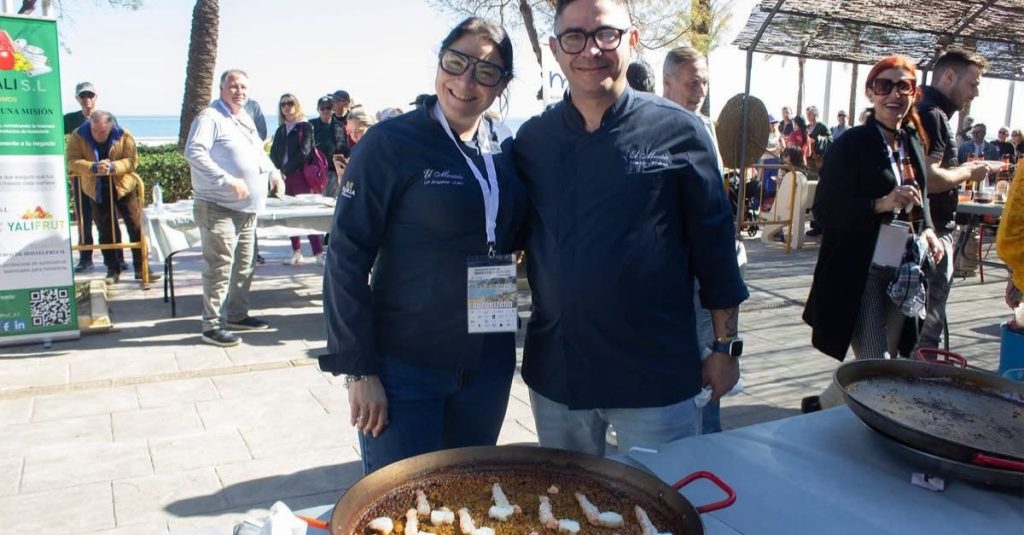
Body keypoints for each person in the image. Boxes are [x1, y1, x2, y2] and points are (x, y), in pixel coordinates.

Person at [514, 0, 747, 456]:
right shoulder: (532, 141)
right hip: (561, 378)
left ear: (632, 40)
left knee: (665, 513)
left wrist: (724, 347)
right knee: (569, 519)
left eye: (606, 35)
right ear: (555, 49)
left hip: (656, 377)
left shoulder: (680, 130)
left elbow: (715, 249)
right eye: (574, 37)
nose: (590, 50)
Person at [319, 17, 528, 475]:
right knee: (401, 509)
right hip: (404, 368)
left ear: (502, 85)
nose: (465, 81)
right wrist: (359, 370)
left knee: (465, 503)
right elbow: (346, 257)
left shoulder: (503, 149)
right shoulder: (391, 143)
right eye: (456, 62)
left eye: (485, 71)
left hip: (487, 366)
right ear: (440, 61)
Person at [802, 55, 945, 411]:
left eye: (904, 86)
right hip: (859, 270)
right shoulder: (851, 144)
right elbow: (824, 210)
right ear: (870, 92)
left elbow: (921, 195)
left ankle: (821, 406)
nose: (894, 94)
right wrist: (879, 204)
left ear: (914, 93)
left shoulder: (911, 140)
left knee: (885, 361)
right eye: (885, 86)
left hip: (903, 268)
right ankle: (845, 421)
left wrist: (927, 229)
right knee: (875, 360)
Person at [184, 69, 285, 348]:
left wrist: (274, 173)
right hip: (218, 207)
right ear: (221, 88)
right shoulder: (210, 118)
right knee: (220, 267)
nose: (238, 91)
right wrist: (226, 179)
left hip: (247, 211)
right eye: (233, 86)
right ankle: (212, 326)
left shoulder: (245, 118)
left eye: (243, 87)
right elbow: (193, 152)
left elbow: (258, 153)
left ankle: (237, 315)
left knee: (244, 266)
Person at [662, 45, 734, 434]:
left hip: (708, 272)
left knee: (711, 358)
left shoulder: (705, 126)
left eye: (705, 81)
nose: (700, 89)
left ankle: (708, 437)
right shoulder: (654, 128)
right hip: (673, 275)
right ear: (668, 83)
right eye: (693, 82)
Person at [917, 49, 996, 351]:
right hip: (933, 234)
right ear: (949, 77)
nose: (974, 93)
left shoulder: (923, 110)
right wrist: (967, 172)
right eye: (972, 84)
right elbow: (930, 178)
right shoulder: (932, 115)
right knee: (926, 334)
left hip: (925, 231)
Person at [66, 110, 159, 285]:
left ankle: (141, 267)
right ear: (90, 125)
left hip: (123, 187)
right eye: (94, 131)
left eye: (103, 132)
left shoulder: (124, 134)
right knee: (104, 229)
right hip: (95, 188)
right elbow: (71, 161)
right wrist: (93, 167)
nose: (98, 135)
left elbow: (132, 160)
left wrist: (113, 167)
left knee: (135, 226)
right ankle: (112, 269)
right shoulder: (78, 135)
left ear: (111, 127)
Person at [64, 82, 127, 273]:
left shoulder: (107, 118)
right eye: (83, 96)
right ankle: (85, 258)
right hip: (81, 177)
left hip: (103, 178)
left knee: (109, 217)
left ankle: (118, 256)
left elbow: (117, 144)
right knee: (84, 218)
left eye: (90, 96)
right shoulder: (68, 120)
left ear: (96, 97)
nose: (87, 100)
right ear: (77, 99)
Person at [270, 94, 325, 266]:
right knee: (290, 216)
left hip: (300, 176)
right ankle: (296, 251)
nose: (286, 107)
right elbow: (273, 154)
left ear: (297, 105)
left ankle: (318, 253)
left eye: (290, 103)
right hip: (284, 178)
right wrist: (276, 172)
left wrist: (285, 170)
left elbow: (305, 152)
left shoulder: (304, 127)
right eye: (283, 104)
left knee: (306, 214)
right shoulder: (280, 129)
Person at [309, 95, 345, 199]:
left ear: (333, 109)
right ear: (317, 109)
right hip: (315, 173)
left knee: (334, 203)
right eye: (322, 108)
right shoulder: (310, 125)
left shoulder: (339, 125)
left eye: (328, 108)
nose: (325, 111)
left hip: (334, 172)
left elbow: (343, 148)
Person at [805, 105, 832, 170]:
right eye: (807, 114)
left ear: (815, 115)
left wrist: (820, 139)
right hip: (808, 157)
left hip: (819, 157)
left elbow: (830, 140)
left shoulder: (822, 126)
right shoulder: (806, 127)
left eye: (810, 114)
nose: (808, 116)